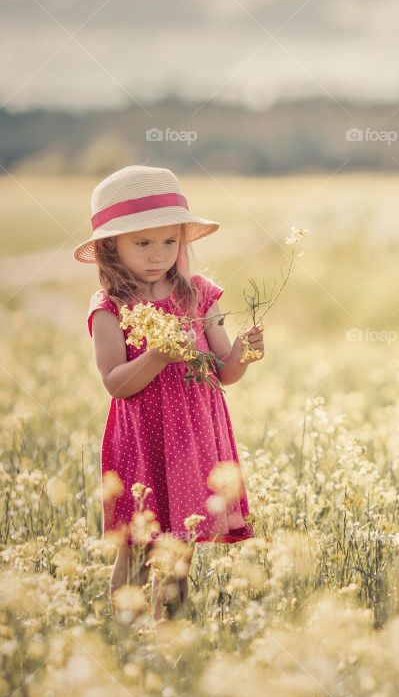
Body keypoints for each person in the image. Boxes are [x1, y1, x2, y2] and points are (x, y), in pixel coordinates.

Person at [74, 164, 264, 622]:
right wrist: (156, 356)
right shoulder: (111, 307)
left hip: (193, 436)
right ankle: (125, 626)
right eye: (143, 242)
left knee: (182, 537)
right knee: (138, 543)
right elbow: (115, 382)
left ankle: (169, 629)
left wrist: (243, 353)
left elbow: (222, 371)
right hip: (143, 437)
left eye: (169, 241)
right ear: (111, 248)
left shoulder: (198, 296)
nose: (158, 254)